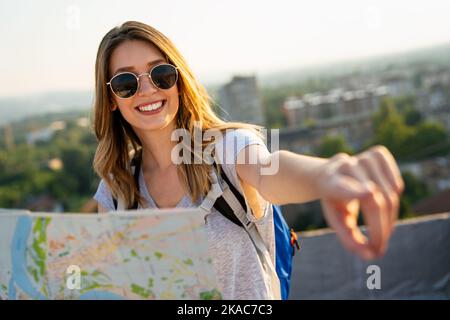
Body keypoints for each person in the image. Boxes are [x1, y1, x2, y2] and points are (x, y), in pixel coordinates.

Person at [92, 21, 404, 300]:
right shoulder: (117, 190)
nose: (147, 89)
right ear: (111, 100)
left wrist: (326, 173)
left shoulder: (228, 149)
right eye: (125, 83)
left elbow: (269, 171)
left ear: (178, 80)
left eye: (160, 73)